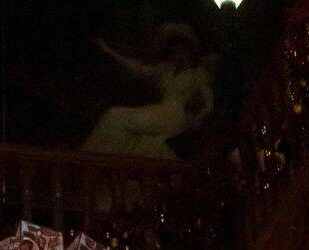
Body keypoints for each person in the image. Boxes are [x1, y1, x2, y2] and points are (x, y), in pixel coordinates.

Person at [83, 25, 214, 158]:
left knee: (114, 116)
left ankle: (91, 159)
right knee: (117, 121)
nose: (178, 56)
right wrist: (110, 51)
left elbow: (209, 104)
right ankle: (96, 160)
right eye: (175, 53)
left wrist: (198, 120)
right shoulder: (166, 69)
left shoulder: (197, 74)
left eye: (182, 53)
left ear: (190, 53)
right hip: (159, 112)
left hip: (173, 118)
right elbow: (139, 69)